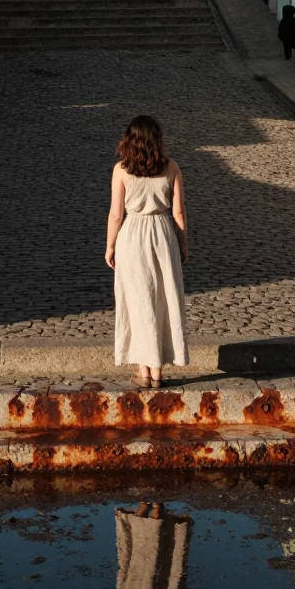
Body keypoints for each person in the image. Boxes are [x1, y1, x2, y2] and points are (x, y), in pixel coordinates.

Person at [106, 115, 189, 389]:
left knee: (138, 300)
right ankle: (158, 371)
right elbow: (178, 212)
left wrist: (110, 245)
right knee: (163, 300)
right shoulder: (172, 168)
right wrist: (183, 244)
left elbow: (116, 214)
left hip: (133, 236)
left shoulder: (121, 169)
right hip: (163, 234)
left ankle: (144, 371)